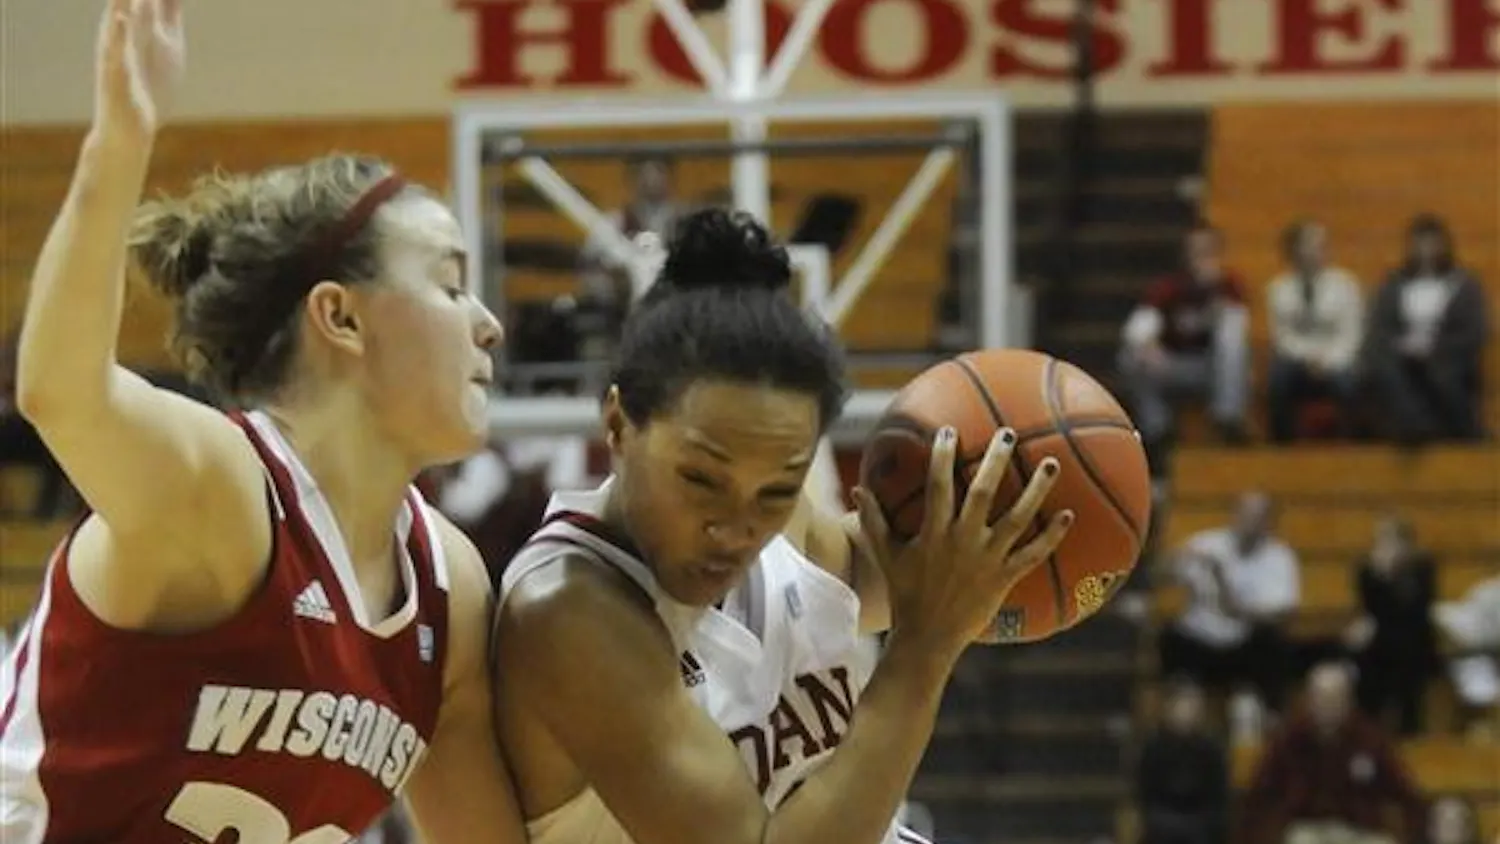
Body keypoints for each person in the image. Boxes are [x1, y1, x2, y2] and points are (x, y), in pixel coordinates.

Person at [0, 2, 524, 841]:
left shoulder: (448, 589)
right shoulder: (223, 489)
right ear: (341, 318)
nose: (488, 322)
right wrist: (119, 147)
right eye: (451, 283)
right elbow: (60, 391)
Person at [492, 208, 1074, 844]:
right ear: (617, 427)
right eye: (702, 480)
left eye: (777, 489)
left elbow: (885, 574)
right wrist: (925, 649)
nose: (739, 527)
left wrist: (1013, 523)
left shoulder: (783, 520)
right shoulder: (568, 612)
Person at [1241, 663, 1427, 844]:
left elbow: (1405, 793)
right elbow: (1259, 794)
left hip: (1360, 830)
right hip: (1308, 829)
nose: (1327, 706)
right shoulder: (1289, 739)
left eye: (1334, 699)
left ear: (1349, 701)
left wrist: (1413, 835)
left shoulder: (1370, 740)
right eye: (1321, 698)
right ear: (1309, 700)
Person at [1157, 492, 1299, 721]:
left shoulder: (1279, 557)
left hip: (1243, 644)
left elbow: (1282, 613)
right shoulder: (1206, 544)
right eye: (1245, 515)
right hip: (1199, 640)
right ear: (1234, 514)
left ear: (1268, 523)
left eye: (1257, 517)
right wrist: (1173, 560)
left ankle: (1271, 716)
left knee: (1275, 643)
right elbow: (1162, 576)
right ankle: (1179, 704)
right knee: (1169, 636)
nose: (1249, 523)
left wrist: (1230, 595)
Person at [1119, 222, 1251, 467]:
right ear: (1185, 254)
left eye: (1207, 251)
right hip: (1174, 367)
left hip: (1213, 371)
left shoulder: (1229, 285)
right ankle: (1158, 430)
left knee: (1233, 344)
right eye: (1196, 251)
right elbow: (1137, 329)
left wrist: (1216, 299)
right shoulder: (1169, 287)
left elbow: (1237, 329)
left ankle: (1228, 417)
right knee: (1131, 357)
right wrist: (1148, 345)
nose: (1201, 258)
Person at [1364, 214, 1488, 445]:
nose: (1426, 249)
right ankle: (1411, 425)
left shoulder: (1464, 284)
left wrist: (1435, 348)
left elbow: (1474, 332)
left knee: (1441, 372)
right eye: (1419, 243)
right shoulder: (1394, 283)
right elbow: (1379, 328)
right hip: (1402, 356)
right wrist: (1403, 347)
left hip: (1446, 357)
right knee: (1380, 363)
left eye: (1432, 243)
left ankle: (1462, 432)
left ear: (1444, 245)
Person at [1264, 220, 1363, 442]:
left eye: (1322, 244)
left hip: (1338, 361)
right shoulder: (1278, 288)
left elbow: (1352, 334)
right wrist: (1308, 359)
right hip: (1298, 362)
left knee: (1349, 383)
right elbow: (1283, 337)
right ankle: (1282, 447)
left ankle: (1351, 445)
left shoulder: (1345, 284)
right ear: (1296, 249)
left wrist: (1327, 362)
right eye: (1311, 244)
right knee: (1277, 376)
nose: (1319, 249)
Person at [1343, 515, 1438, 736]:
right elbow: (1372, 609)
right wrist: (1381, 577)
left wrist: (1390, 578)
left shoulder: (1423, 568)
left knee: (1406, 649)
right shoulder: (1367, 570)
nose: (1384, 546)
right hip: (1380, 643)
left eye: (1390, 540)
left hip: (1413, 641)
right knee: (1363, 653)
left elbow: (1416, 611)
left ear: (1407, 544)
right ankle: (1367, 728)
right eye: (1380, 540)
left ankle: (1411, 728)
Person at [1134, 678, 1229, 844]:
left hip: (1201, 821)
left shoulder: (1211, 750)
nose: (1186, 713)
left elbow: (1218, 796)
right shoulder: (1154, 748)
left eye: (1192, 707)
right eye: (1182, 706)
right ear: (1169, 709)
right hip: (1163, 819)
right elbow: (1145, 794)